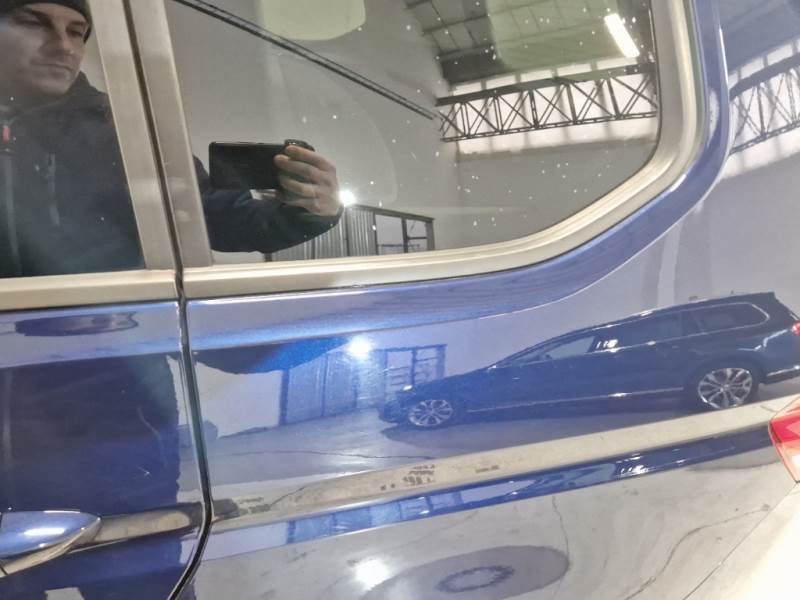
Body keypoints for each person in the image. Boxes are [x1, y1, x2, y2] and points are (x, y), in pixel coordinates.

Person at [0, 0, 342, 278]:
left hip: (111, 332)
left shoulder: (123, 130)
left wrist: (308, 212)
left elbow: (213, 216)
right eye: (34, 23)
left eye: (77, 32)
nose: (63, 46)